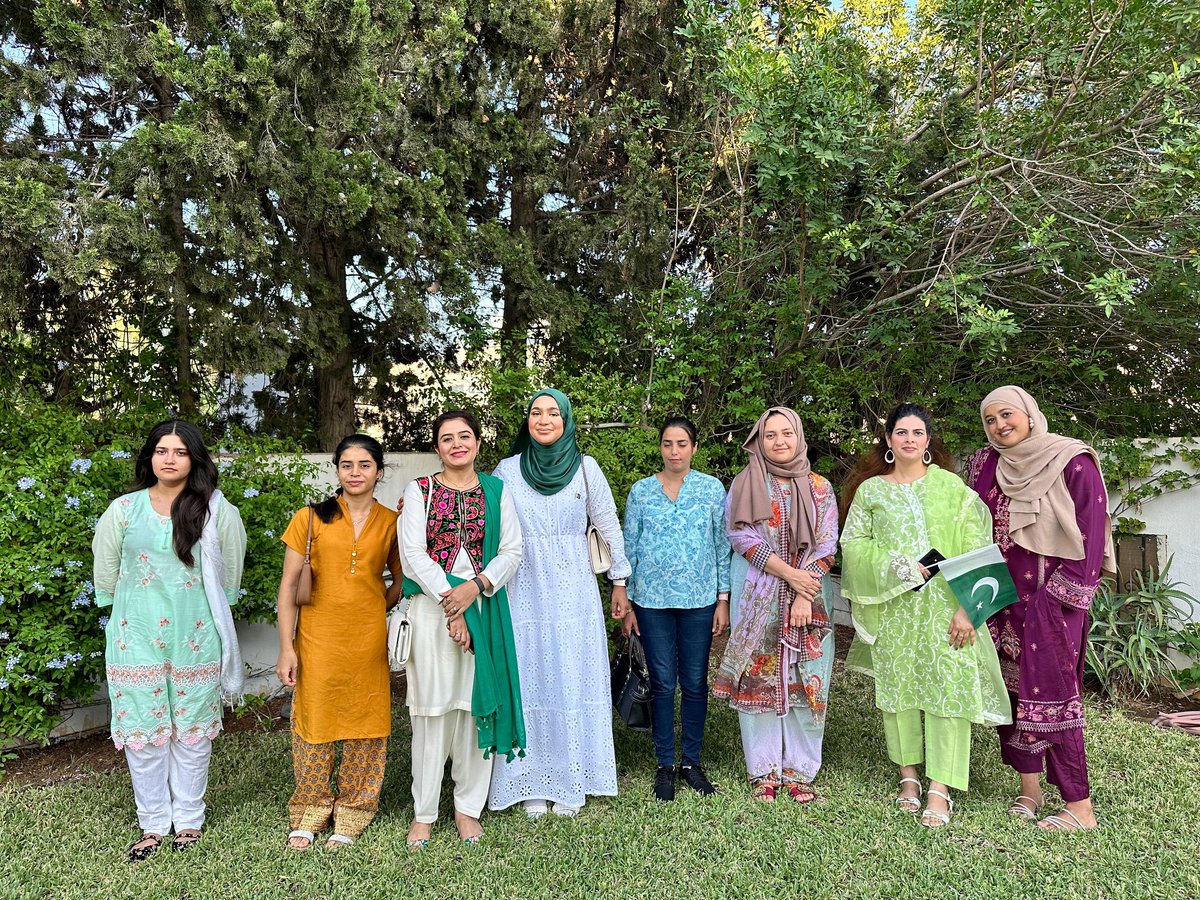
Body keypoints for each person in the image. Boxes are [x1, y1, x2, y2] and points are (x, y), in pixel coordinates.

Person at [840, 403, 1011, 827]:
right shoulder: (871, 492)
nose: (910, 440)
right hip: (895, 610)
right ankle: (909, 777)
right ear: (889, 441)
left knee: (948, 692)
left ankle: (940, 787)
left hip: (946, 612)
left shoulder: (953, 489)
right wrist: (896, 566)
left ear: (928, 441)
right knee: (898, 694)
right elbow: (853, 545)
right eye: (901, 432)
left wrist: (967, 610)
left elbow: (978, 547)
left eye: (918, 433)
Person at [93, 420, 247, 861]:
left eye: (180, 452)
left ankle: (190, 819)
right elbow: (105, 576)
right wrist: (123, 614)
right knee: (144, 733)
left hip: (196, 638)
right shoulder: (123, 509)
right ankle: (154, 822)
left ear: (194, 458)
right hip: (135, 637)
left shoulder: (218, 511)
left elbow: (228, 577)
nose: (170, 459)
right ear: (150, 457)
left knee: (192, 732)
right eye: (162, 450)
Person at [965, 386, 1115, 831]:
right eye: (989, 419)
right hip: (999, 597)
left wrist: (1059, 600)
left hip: (1052, 601)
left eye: (1007, 414)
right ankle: (1028, 790)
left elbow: (1091, 534)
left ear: (1030, 414)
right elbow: (971, 528)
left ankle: (1078, 806)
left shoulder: (1072, 460)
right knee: (1009, 694)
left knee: (1053, 695)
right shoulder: (985, 464)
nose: (999, 425)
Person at [487, 388, 631, 818]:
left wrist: (619, 582)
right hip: (523, 588)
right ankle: (530, 780)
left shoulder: (587, 469)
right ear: (526, 420)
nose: (544, 419)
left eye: (553, 412)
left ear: (566, 420)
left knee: (571, 677)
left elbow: (608, 526)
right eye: (536, 412)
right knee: (529, 678)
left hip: (574, 593)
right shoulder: (507, 471)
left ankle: (571, 779)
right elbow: (482, 522)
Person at [399, 410, 524, 849]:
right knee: (431, 710)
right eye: (447, 438)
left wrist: (476, 588)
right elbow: (413, 553)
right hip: (433, 611)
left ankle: (467, 807)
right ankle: (424, 812)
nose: (457, 444)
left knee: (475, 708)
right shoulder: (419, 492)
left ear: (476, 442)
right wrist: (453, 607)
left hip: (484, 605)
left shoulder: (496, 490)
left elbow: (512, 549)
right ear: (437, 447)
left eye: (464, 436)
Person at [276, 435, 402, 851]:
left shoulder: (392, 522)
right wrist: (286, 647)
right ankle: (310, 810)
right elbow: (289, 586)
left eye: (364, 465)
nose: (355, 473)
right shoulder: (310, 518)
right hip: (316, 639)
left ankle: (353, 813)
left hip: (368, 640)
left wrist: (368, 608)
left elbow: (400, 583)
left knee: (366, 723)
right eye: (346, 465)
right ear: (337, 470)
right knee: (315, 722)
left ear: (379, 472)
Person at [712, 407, 838, 803]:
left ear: (799, 437)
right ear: (758, 440)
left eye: (787, 433)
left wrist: (803, 592)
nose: (779, 441)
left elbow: (827, 543)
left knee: (807, 679)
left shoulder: (820, 487)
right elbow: (740, 536)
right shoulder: (746, 483)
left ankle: (800, 769)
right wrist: (790, 575)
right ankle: (763, 769)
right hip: (756, 597)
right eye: (770, 435)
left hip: (810, 598)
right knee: (759, 677)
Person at [622, 416, 732, 801]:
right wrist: (628, 600)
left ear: (694, 448)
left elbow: (722, 546)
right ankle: (665, 764)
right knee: (663, 683)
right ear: (661, 448)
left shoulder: (711, 489)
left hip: (699, 601)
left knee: (694, 682)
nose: (674, 451)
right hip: (650, 602)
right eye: (668, 444)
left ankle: (691, 762)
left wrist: (723, 599)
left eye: (682, 444)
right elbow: (628, 547)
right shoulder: (641, 492)